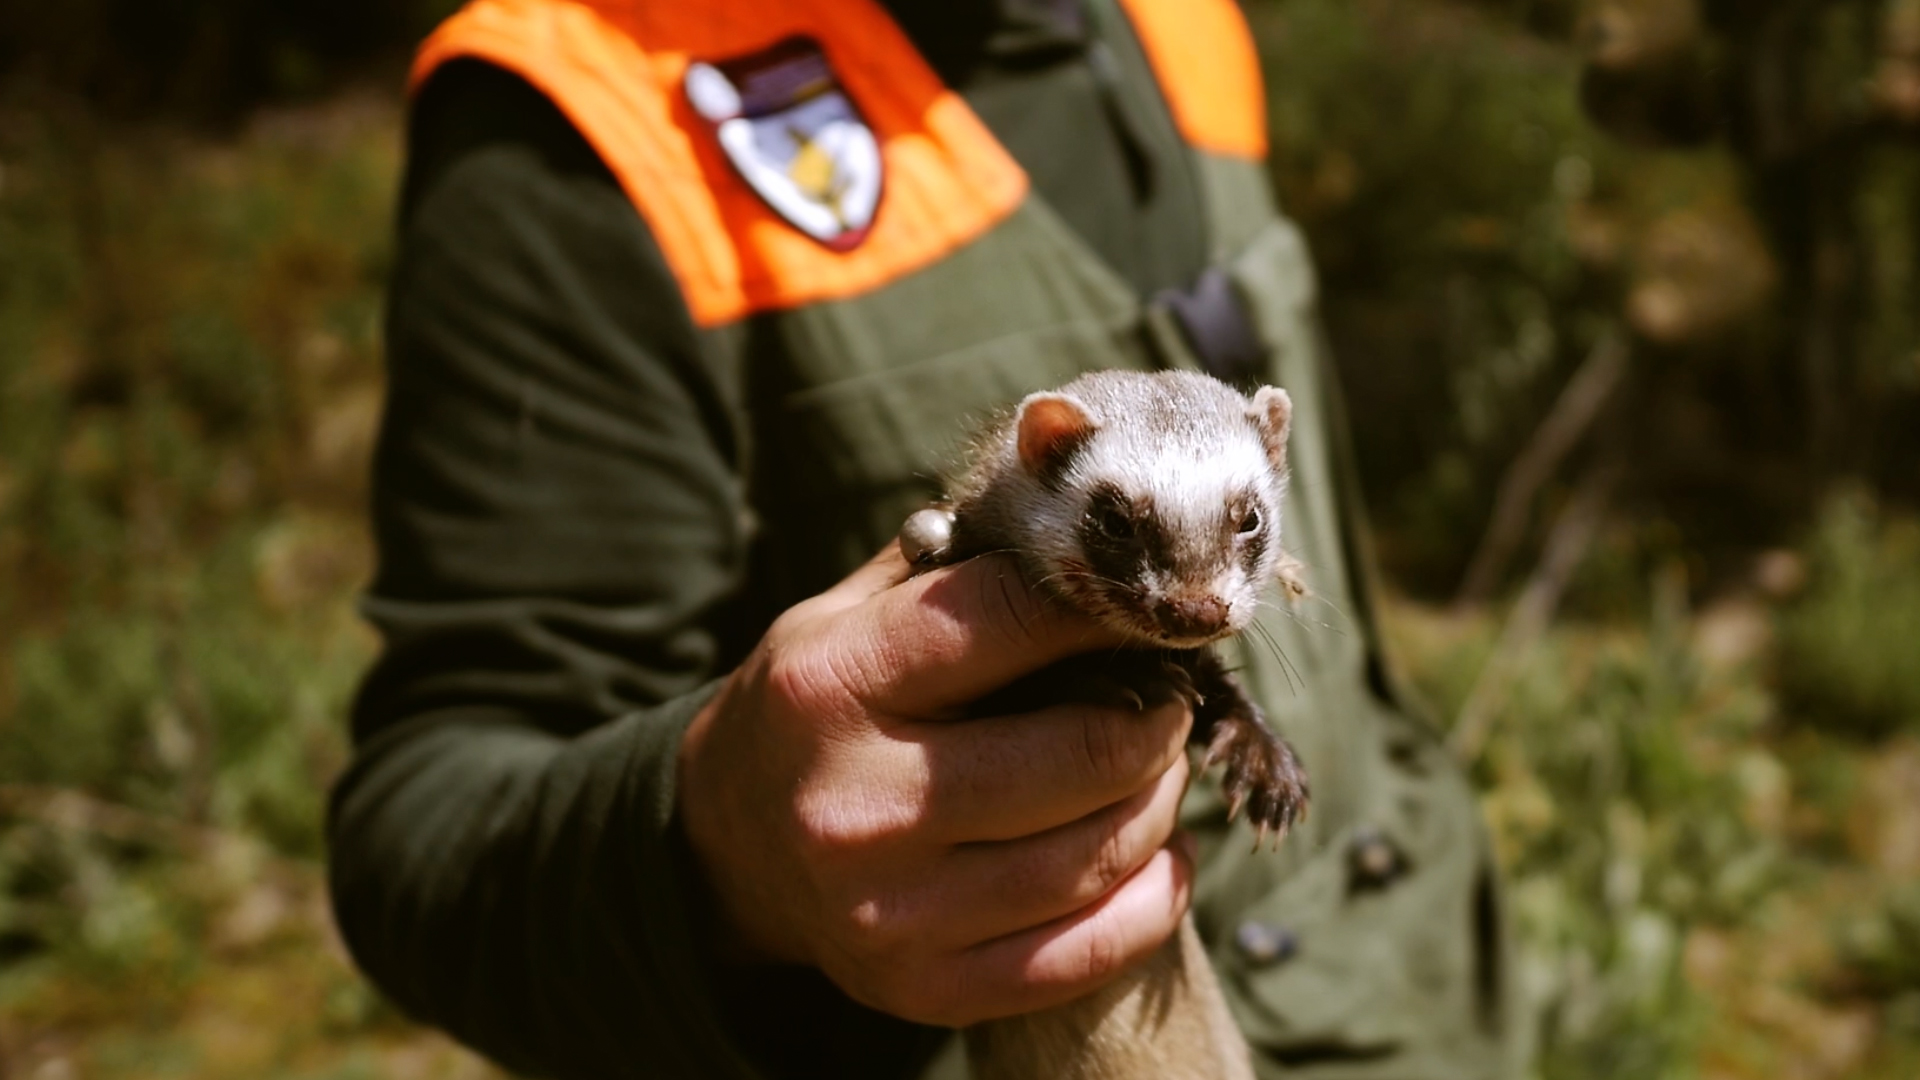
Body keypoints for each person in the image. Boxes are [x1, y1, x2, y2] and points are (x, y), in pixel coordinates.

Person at [327, 1, 1520, 1076]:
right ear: (1045, 459)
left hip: (1429, 991)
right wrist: (721, 849)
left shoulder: (1188, 20)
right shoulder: (571, 128)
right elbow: (423, 835)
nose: (1208, 599)